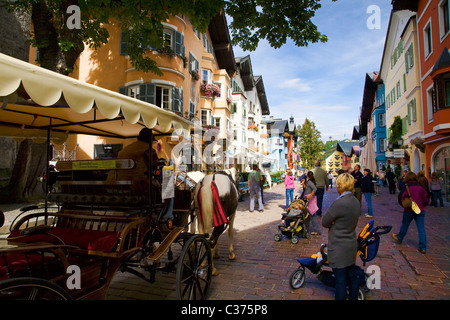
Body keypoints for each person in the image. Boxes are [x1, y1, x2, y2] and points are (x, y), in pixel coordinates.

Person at [322, 173, 360, 300]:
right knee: (352, 277)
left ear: (340, 186)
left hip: (339, 247)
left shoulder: (339, 203)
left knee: (340, 282)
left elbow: (325, 222)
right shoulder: (355, 201)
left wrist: (334, 222)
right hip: (351, 245)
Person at [392, 172, 429, 254]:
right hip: (419, 209)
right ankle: (423, 247)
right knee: (421, 228)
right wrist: (422, 206)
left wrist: (404, 205)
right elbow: (426, 199)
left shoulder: (406, 187)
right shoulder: (420, 187)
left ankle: (400, 237)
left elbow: (401, 198)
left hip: (409, 210)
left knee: (405, 225)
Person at [304, 171, 321, 235]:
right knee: (307, 216)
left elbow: (314, 189)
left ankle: (317, 230)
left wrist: (310, 195)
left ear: (307, 176)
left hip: (310, 200)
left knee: (312, 215)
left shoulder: (310, 182)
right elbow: (307, 189)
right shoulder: (309, 182)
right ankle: (306, 229)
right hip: (309, 199)